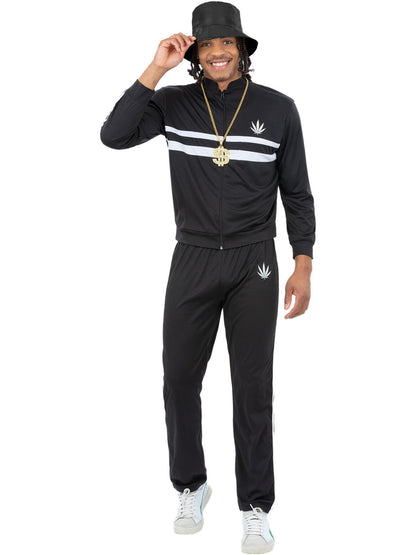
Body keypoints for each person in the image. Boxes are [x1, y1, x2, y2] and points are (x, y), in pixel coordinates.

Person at [100, 1, 315, 552]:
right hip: (192, 256)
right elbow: (114, 136)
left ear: (242, 49)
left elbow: (297, 192)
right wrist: (156, 68)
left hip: (254, 262)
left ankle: (256, 506)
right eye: (207, 44)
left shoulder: (279, 108)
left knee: (253, 388)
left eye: (227, 43)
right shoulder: (172, 103)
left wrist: (303, 263)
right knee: (178, 380)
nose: (218, 52)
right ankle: (191, 486)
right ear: (195, 52)